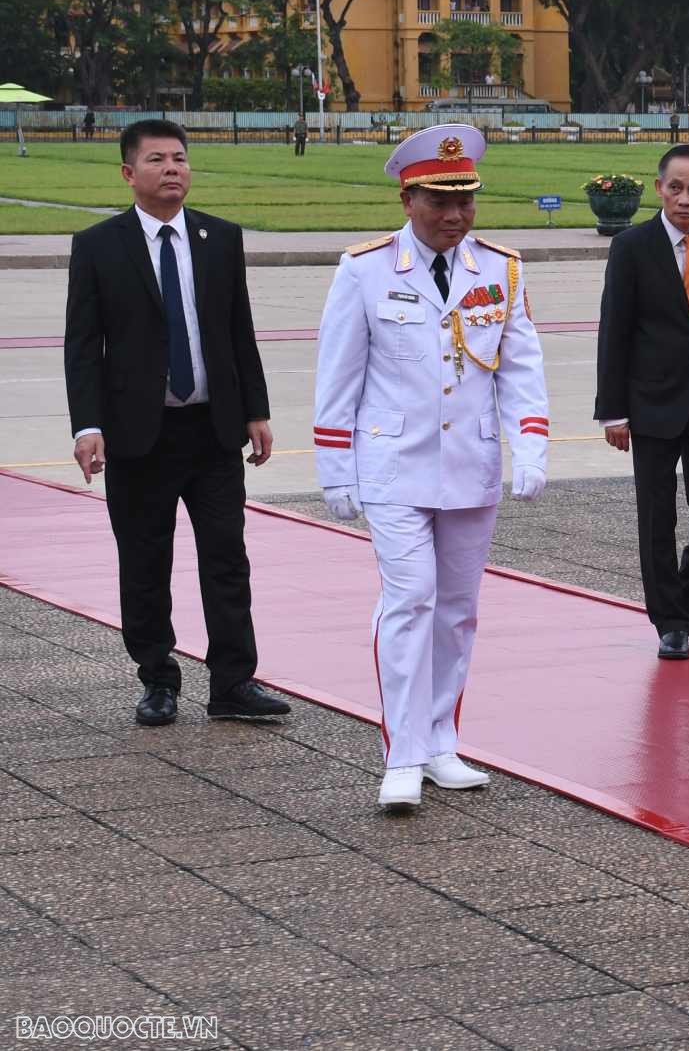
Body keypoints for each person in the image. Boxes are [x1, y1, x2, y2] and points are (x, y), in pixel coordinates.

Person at [312, 124, 551, 809]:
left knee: (457, 611)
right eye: (438, 202)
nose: (454, 216)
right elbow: (338, 375)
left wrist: (529, 444)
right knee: (410, 599)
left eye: (465, 201)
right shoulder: (365, 268)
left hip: (469, 463)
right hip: (392, 464)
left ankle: (442, 740)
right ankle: (403, 751)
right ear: (407, 198)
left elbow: (521, 365)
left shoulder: (501, 267)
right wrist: (335, 467)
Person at [64, 120, 290, 728]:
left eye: (181, 158)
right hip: (140, 434)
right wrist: (87, 426)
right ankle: (158, 679)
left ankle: (233, 683)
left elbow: (238, 330)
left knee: (226, 558)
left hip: (212, 431)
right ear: (128, 173)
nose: (173, 169)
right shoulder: (98, 246)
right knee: (144, 560)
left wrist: (255, 410)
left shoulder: (221, 238)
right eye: (157, 159)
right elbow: (82, 346)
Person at [595, 144, 689, 659]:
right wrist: (613, 410)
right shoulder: (632, 247)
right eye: (675, 187)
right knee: (657, 517)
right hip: (650, 404)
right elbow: (616, 330)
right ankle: (669, 620)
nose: (684, 198)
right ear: (659, 189)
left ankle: (688, 595)